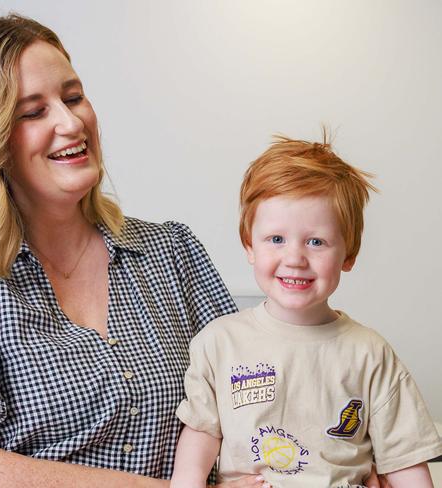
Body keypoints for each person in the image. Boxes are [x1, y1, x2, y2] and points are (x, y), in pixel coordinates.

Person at [0, 14, 272, 488]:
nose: (71, 121)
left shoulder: (172, 251)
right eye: (33, 112)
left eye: (73, 97)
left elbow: (257, 393)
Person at [171, 134, 442, 487]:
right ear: (250, 246)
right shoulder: (218, 343)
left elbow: (405, 461)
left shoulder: (371, 353)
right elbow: (199, 439)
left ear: (348, 255)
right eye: (276, 239)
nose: (295, 259)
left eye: (316, 242)